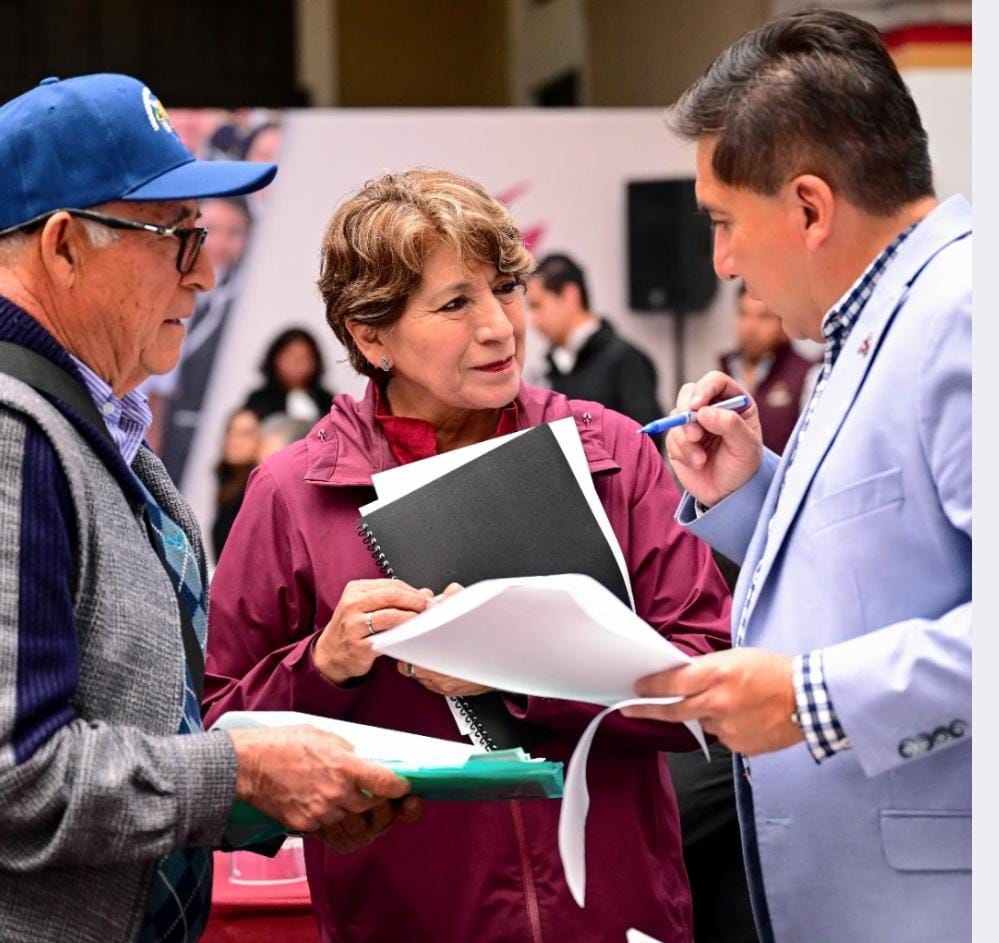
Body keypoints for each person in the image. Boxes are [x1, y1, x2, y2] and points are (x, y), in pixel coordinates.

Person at [204, 168, 734, 943]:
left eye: (507, 287)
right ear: (368, 334)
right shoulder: (292, 492)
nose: (499, 326)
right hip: (405, 917)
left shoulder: (609, 452)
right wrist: (323, 664)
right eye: (455, 302)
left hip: (614, 913)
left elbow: (709, 676)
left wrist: (522, 672)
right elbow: (223, 733)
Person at [0, 73, 418, 943]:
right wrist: (242, 774)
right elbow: (21, 777)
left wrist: (266, 795)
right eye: (175, 236)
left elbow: (142, 727)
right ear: (65, 244)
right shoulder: (15, 433)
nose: (204, 270)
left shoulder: (94, 429)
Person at [625, 11, 970, 943]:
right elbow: (899, 554)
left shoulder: (963, 312)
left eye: (724, 223)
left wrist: (806, 698)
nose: (721, 260)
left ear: (810, 207)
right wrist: (751, 494)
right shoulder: (866, 322)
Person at [525, 252, 664, 427]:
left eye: (537, 306)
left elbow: (647, 438)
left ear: (570, 295)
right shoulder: (550, 369)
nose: (533, 321)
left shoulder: (626, 360)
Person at [719, 282, 819, 454]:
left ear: (785, 322)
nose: (750, 327)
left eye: (764, 317)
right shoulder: (721, 375)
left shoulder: (808, 376)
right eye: (744, 314)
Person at [241, 326, 334, 423]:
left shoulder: (326, 401)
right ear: (275, 359)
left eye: (304, 358)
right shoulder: (259, 401)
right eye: (290, 358)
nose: (297, 364)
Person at [211, 408, 261, 560]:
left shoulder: (255, 491)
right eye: (230, 431)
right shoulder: (227, 483)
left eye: (245, 434)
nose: (234, 440)